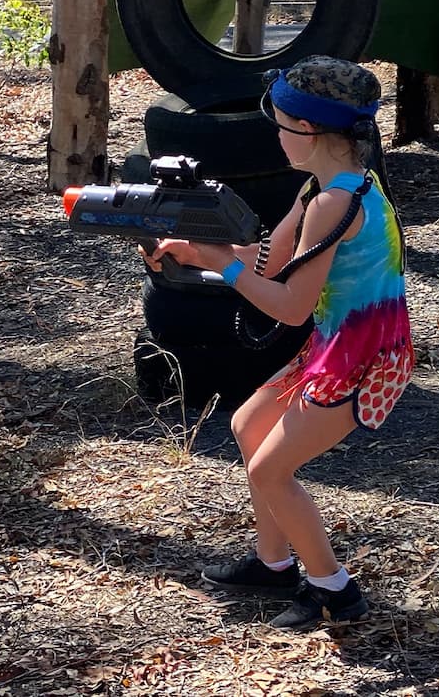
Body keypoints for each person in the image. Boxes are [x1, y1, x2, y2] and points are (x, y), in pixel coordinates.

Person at [141, 55, 414, 630]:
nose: (277, 134)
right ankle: (274, 563)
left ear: (309, 129)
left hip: (361, 358)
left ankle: (336, 591)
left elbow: (289, 307)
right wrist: (197, 252)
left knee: (270, 472)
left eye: (283, 122)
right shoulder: (325, 186)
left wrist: (220, 262)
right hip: (340, 344)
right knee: (248, 426)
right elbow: (271, 261)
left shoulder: (332, 205)